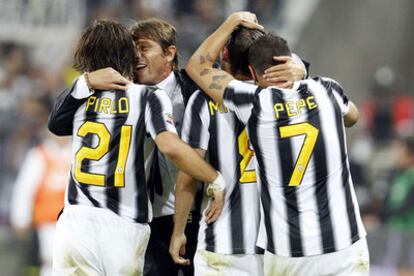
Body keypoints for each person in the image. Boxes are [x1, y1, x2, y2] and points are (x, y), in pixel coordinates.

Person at [77, 17, 304, 276]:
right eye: (133, 50)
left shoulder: (197, 91)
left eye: (144, 48)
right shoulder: (124, 93)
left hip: (201, 215)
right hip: (149, 218)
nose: (136, 56)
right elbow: (59, 120)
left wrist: (298, 66)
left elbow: (237, 60)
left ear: (169, 53)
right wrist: (84, 82)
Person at [186, 12, 369, 276]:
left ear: (252, 72)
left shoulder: (254, 102)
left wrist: (231, 21)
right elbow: (353, 117)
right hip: (346, 245)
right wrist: (303, 75)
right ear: (290, 61)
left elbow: (197, 66)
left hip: (289, 253)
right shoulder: (328, 89)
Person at [48, 19, 226, 275]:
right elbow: (171, 147)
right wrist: (214, 178)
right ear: (127, 54)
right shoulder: (147, 97)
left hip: (76, 223)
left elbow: (54, 122)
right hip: (124, 225)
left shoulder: (79, 98)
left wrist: (85, 81)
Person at [169, 26, 307, 275]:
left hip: (222, 244)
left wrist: (178, 231)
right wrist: (301, 70)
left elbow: (188, 171)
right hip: (278, 246)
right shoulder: (285, 98)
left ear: (224, 55)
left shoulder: (204, 101)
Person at [10, 131, 71, 276]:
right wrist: (21, 217)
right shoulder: (39, 154)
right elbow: (25, 187)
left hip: (72, 219)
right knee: (51, 259)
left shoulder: (76, 152)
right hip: (48, 220)